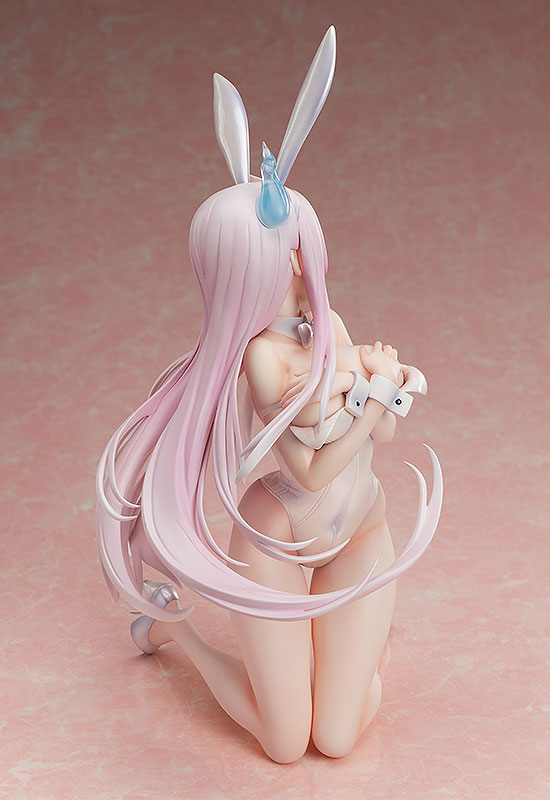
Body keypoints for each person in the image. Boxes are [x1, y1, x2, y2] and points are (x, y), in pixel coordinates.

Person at [96, 28, 442, 763]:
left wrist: (384, 388)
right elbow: (311, 472)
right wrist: (374, 393)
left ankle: (358, 647)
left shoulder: (328, 323)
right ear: (248, 267)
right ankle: (180, 635)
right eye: (287, 249)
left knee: (336, 738)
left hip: (360, 529)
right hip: (279, 532)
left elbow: (377, 441)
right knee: (286, 744)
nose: (303, 261)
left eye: (302, 245)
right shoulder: (262, 357)